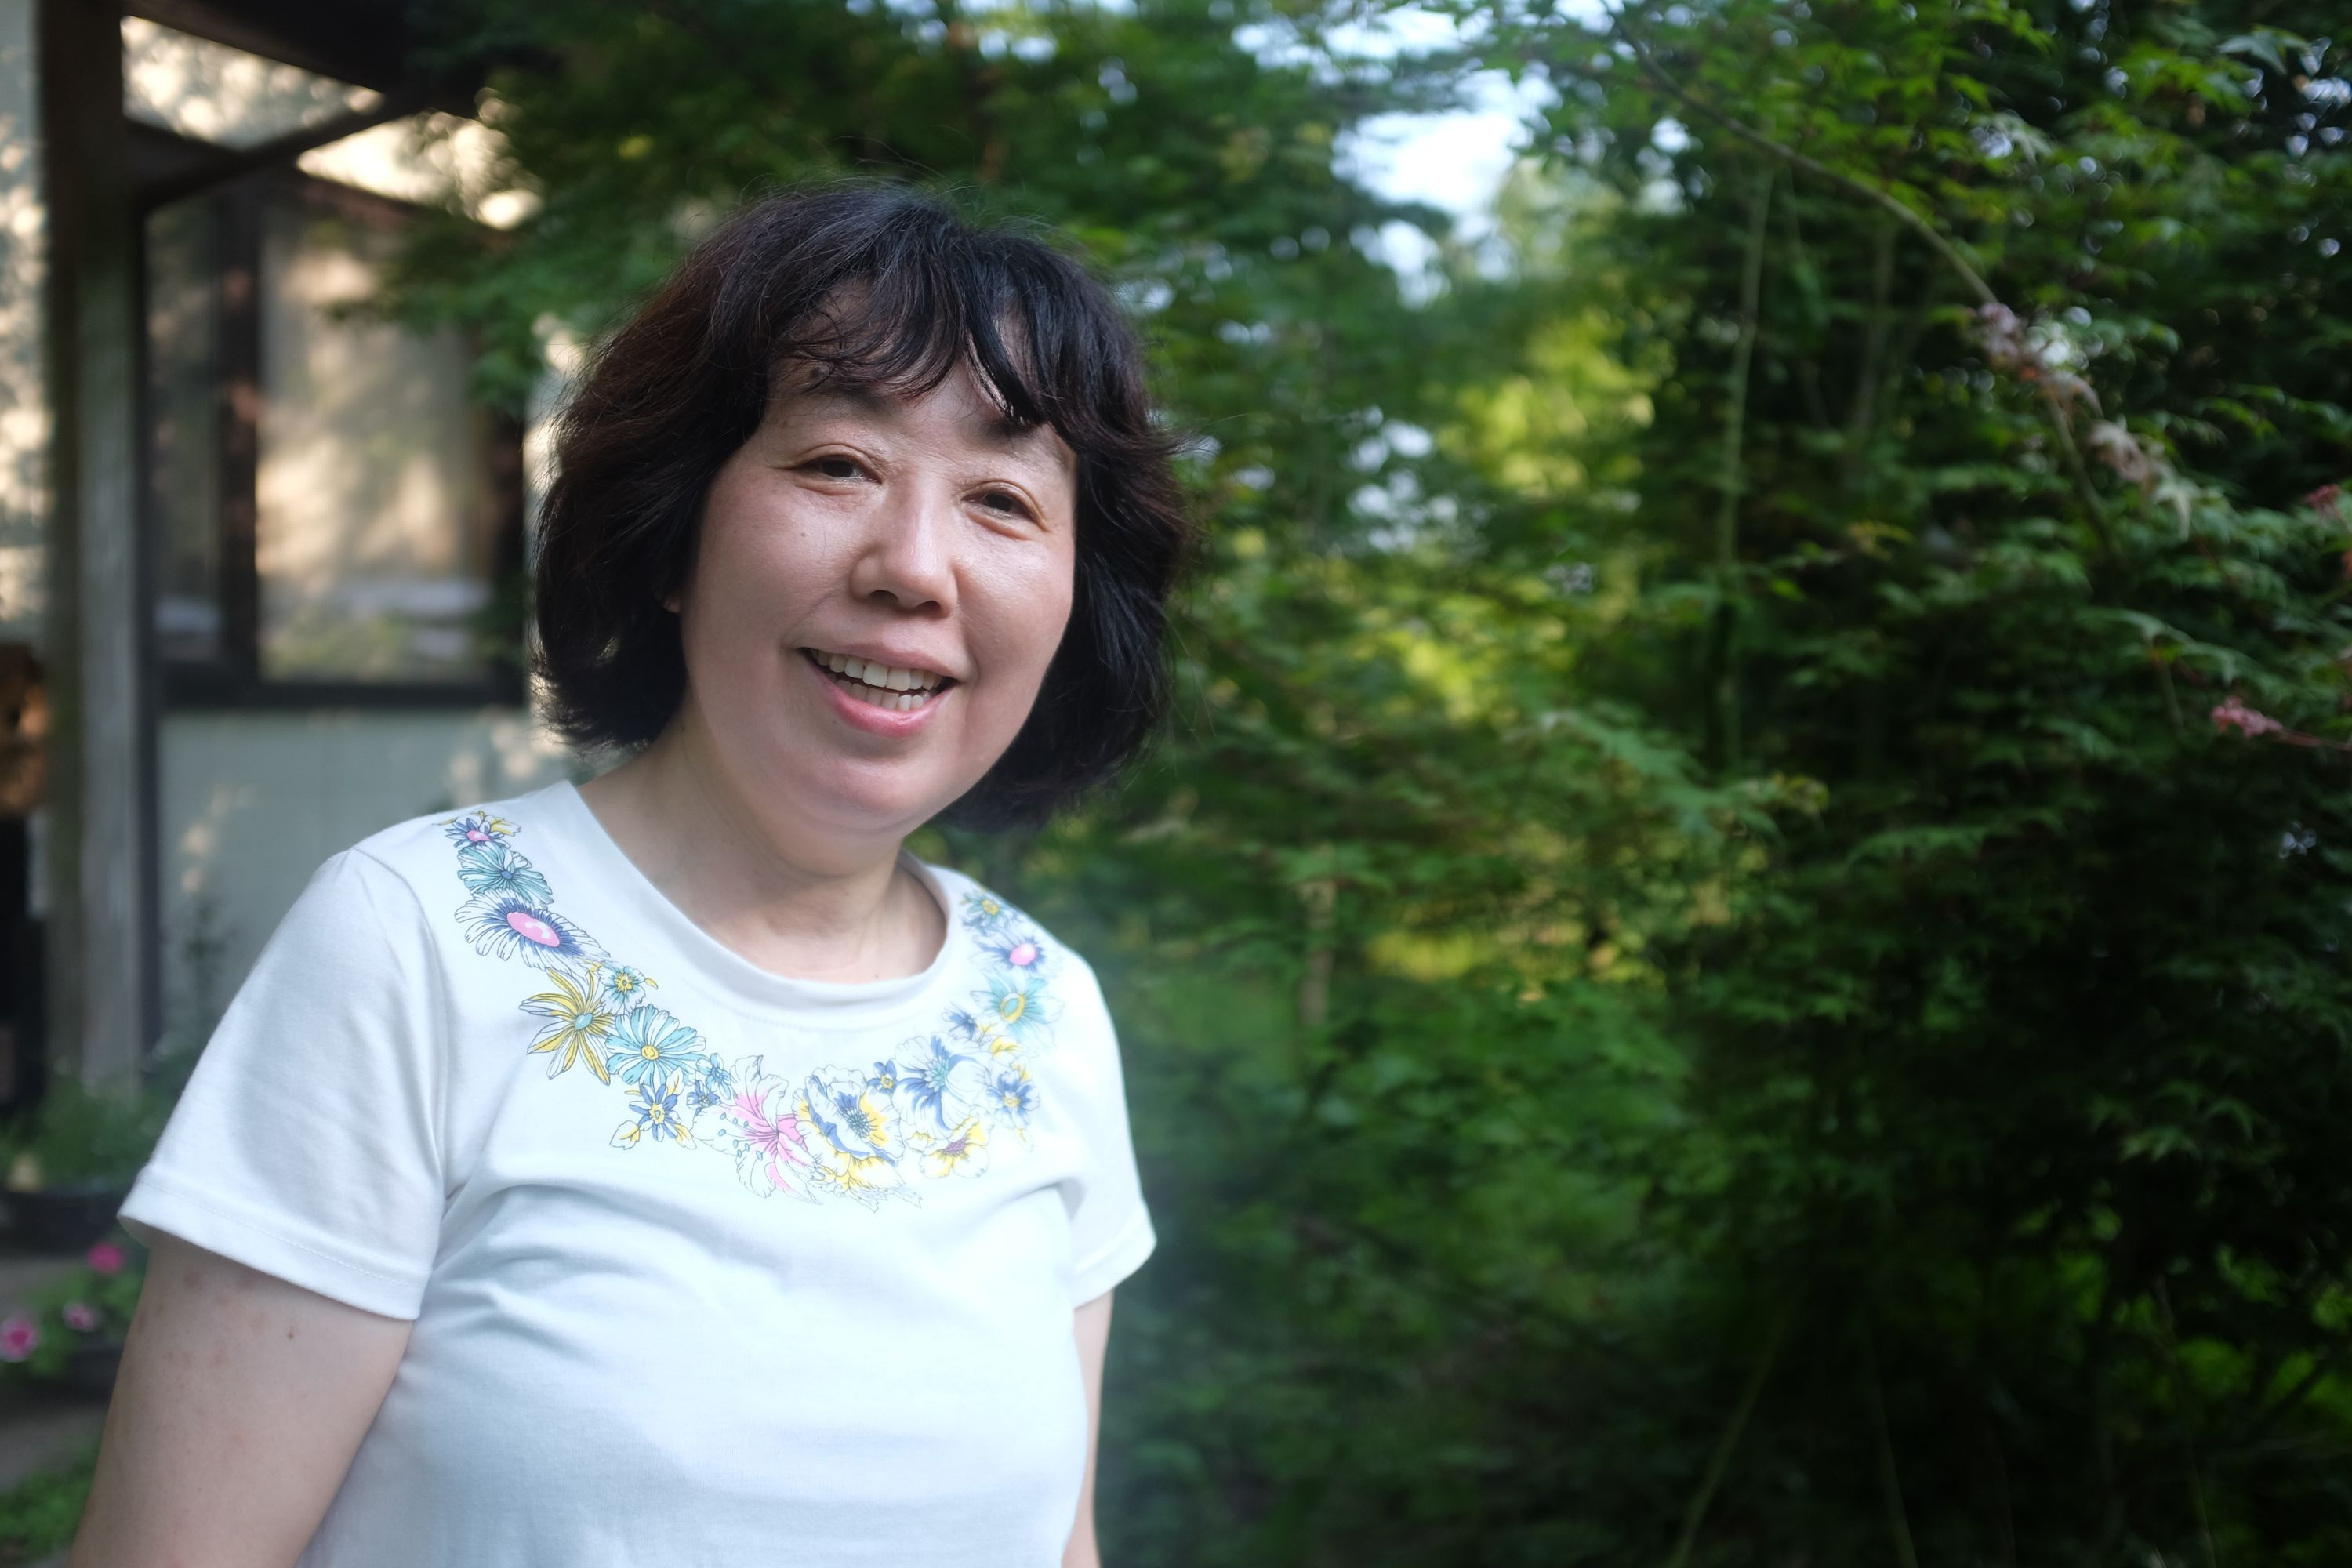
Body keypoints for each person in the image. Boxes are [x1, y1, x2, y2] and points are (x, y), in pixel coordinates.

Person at [71, 183, 1192, 1568]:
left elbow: (1060, 1541)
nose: (914, 566)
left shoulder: (1044, 1013)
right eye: (837, 464)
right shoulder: (421, 943)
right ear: (677, 536)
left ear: (1075, 599)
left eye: (1004, 500)